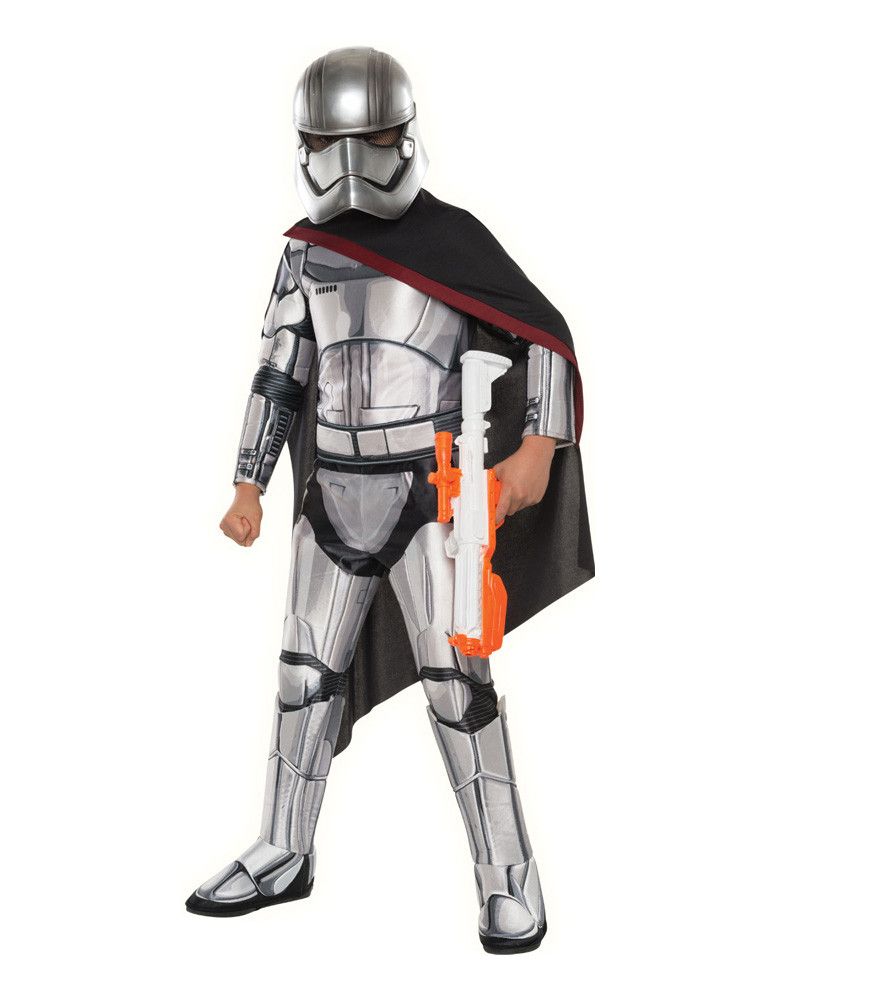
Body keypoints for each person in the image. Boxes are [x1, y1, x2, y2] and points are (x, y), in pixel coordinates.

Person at [185, 46, 594, 954]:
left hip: (432, 493)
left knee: (458, 686)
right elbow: (279, 374)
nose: (349, 162)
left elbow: (544, 337)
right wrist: (249, 483)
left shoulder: (453, 244)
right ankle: (283, 850)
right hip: (330, 492)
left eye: (369, 139)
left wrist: (535, 448)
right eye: (329, 143)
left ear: (403, 138)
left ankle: (509, 879)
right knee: (302, 680)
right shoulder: (306, 251)